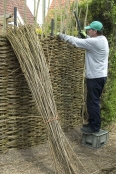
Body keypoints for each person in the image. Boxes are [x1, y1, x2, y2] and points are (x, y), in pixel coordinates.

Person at [57, 21, 109, 134]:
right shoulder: (103, 39)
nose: (88, 31)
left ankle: (94, 127)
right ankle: (92, 123)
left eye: (89, 29)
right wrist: (85, 37)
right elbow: (88, 42)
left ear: (95, 31)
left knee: (93, 102)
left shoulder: (94, 42)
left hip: (95, 77)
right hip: (100, 76)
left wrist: (63, 36)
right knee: (93, 101)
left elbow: (76, 42)